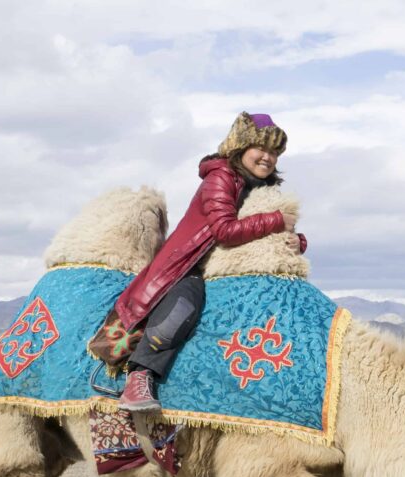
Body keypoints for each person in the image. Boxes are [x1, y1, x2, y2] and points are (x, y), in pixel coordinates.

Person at [115, 111, 306, 410]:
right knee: (183, 308)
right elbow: (225, 230)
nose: (268, 158)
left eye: (274, 152)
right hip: (187, 266)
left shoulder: (263, 188)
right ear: (241, 146)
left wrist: (298, 240)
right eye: (261, 148)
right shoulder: (221, 178)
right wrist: (277, 219)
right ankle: (140, 375)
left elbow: (279, 231)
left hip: (225, 268)